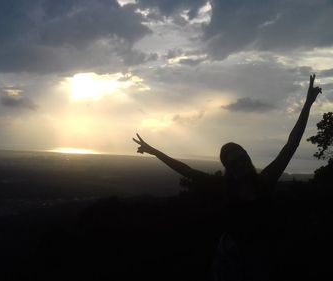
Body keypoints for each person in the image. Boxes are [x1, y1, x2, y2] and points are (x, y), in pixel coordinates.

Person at [133, 74, 322, 280]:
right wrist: (155, 151)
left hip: (262, 253)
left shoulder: (266, 179)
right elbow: (185, 169)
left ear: (247, 158)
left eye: (241, 159)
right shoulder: (222, 186)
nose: (239, 165)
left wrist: (307, 104)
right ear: (227, 167)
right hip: (231, 256)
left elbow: (291, 143)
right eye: (233, 163)